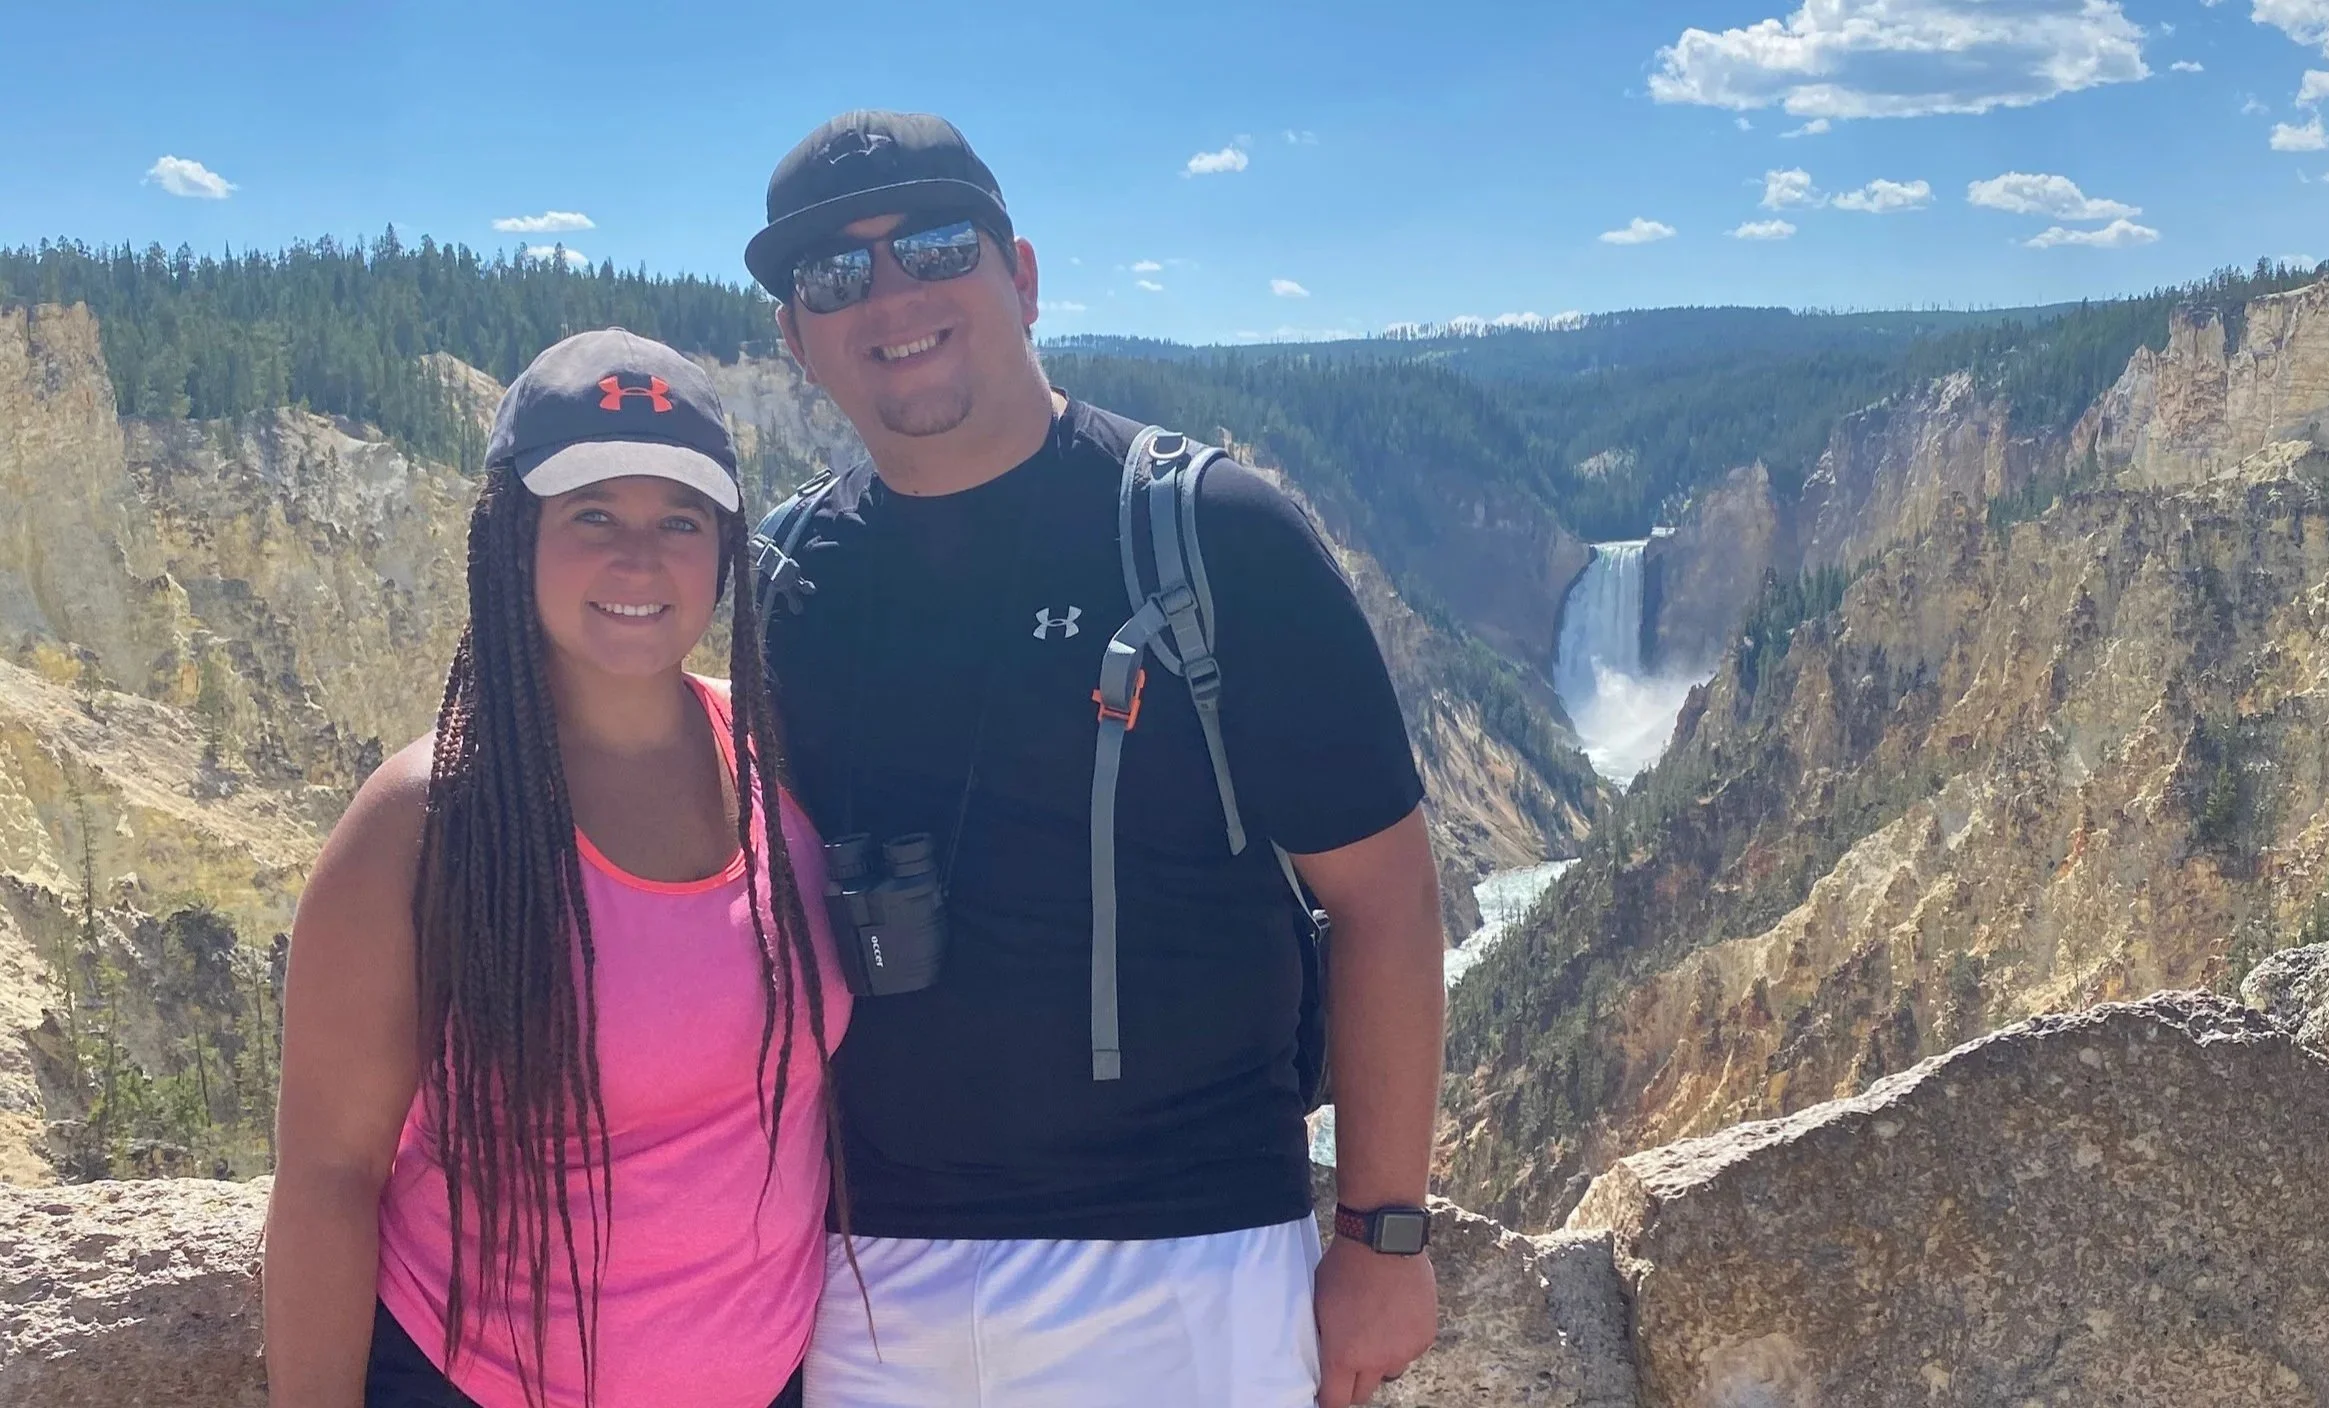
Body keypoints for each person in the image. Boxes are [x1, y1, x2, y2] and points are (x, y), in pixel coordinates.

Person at [744, 111, 1445, 1408]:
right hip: (863, 1288)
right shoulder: (783, 584)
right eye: (832, 276)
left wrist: (1382, 1234)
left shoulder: (1212, 535)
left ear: (1021, 275)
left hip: (1189, 1264)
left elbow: (1387, 898)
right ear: (796, 337)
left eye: (934, 246)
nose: (890, 294)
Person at [262, 329, 850, 1408]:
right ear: (512, 538)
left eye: (679, 518)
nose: (640, 557)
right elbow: (329, 1180)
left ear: (723, 550)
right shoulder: (427, 823)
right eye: (592, 516)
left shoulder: (780, 761)